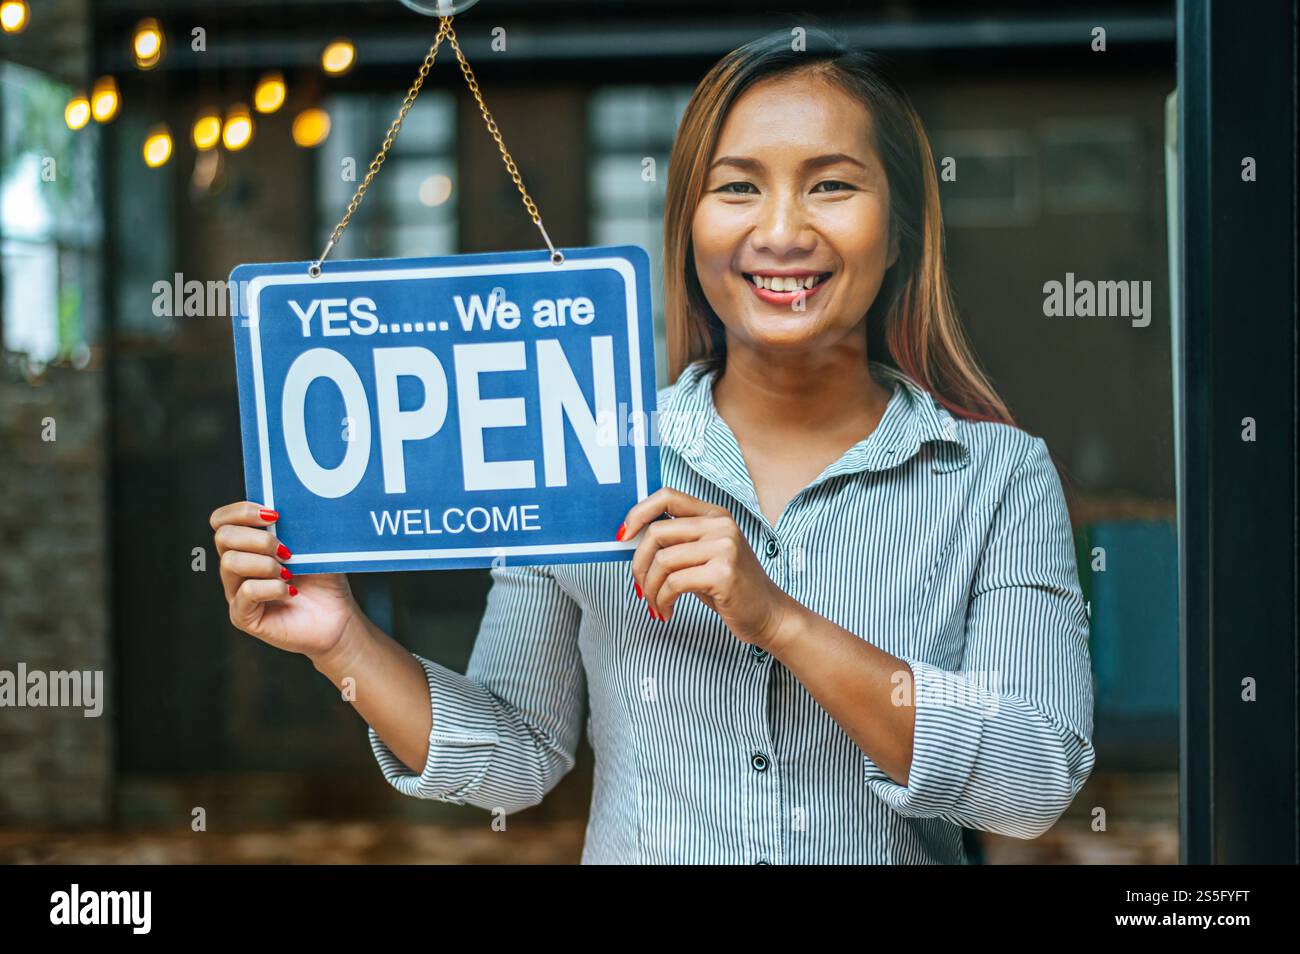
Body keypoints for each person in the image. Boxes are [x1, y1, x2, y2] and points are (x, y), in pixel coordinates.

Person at [210, 29, 1095, 864]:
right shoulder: (583, 447)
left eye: (831, 185)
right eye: (738, 186)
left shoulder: (996, 479)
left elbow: (1033, 781)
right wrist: (344, 645)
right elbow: (515, 756)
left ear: (899, 228)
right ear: (689, 225)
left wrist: (779, 620)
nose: (782, 231)